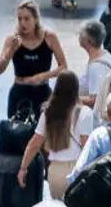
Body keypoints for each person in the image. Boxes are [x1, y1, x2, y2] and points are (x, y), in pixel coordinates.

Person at [17, 70, 93, 199]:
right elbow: (86, 147)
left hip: (55, 171)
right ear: (76, 89)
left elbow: (35, 143)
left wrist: (23, 168)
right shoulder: (85, 113)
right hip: (77, 171)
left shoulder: (48, 112)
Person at [0, 0, 68, 120]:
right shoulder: (12, 40)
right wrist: (11, 50)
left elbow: (63, 67)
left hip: (42, 92)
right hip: (19, 92)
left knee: (44, 130)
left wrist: (43, 76)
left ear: (36, 19)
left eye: (26, 19)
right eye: (19, 19)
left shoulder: (49, 37)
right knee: (16, 130)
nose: (22, 23)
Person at [77, 20, 111, 108]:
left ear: (87, 40)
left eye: (80, 34)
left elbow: (94, 100)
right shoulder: (105, 54)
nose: (78, 36)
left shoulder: (97, 66)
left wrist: (70, 98)